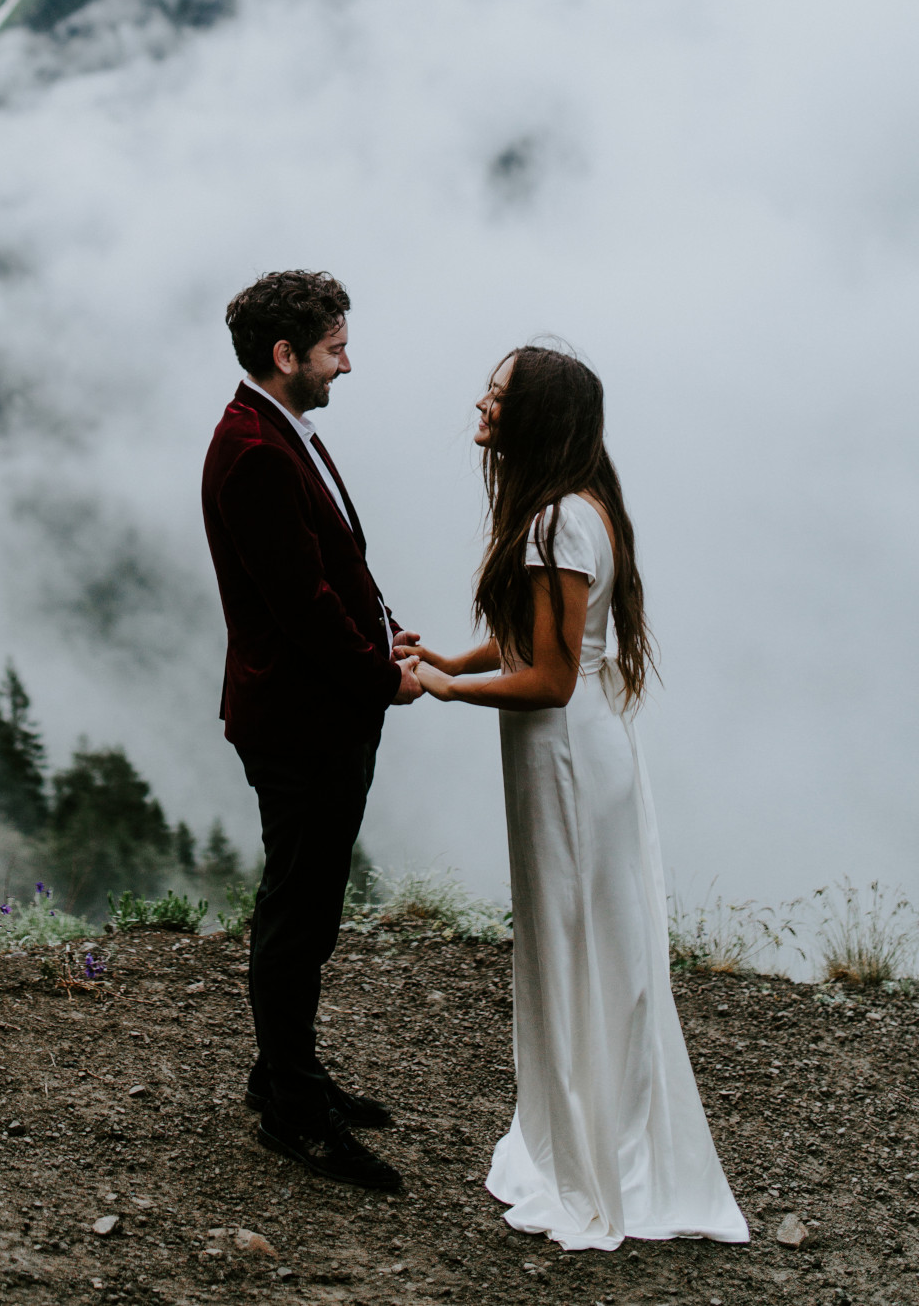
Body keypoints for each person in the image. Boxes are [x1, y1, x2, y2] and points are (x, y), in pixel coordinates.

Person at [399, 344, 748, 1251]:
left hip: (563, 757)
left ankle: (602, 1158)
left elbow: (549, 678)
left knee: (577, 949)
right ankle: (598, 1136)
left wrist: (445, 691)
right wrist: (443, 656)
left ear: (537, 416)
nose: (482, 400)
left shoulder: (555, 521)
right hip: (575, 752)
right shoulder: (579, 507)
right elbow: (528, 638)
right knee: (587, 948)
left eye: (499, 393)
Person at [201, 269, 423, 1193]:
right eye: (333, 347)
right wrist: (384, 677)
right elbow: (298, 606)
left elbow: (332, 572)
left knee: (309, 904)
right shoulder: (253, 448)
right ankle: (292, 1108)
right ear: (284, 355)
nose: (347, 363)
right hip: (301, 720)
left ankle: (285, 1073)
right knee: (299, 913)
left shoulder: (276, 429)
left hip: (315, 706)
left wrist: (383, 633)